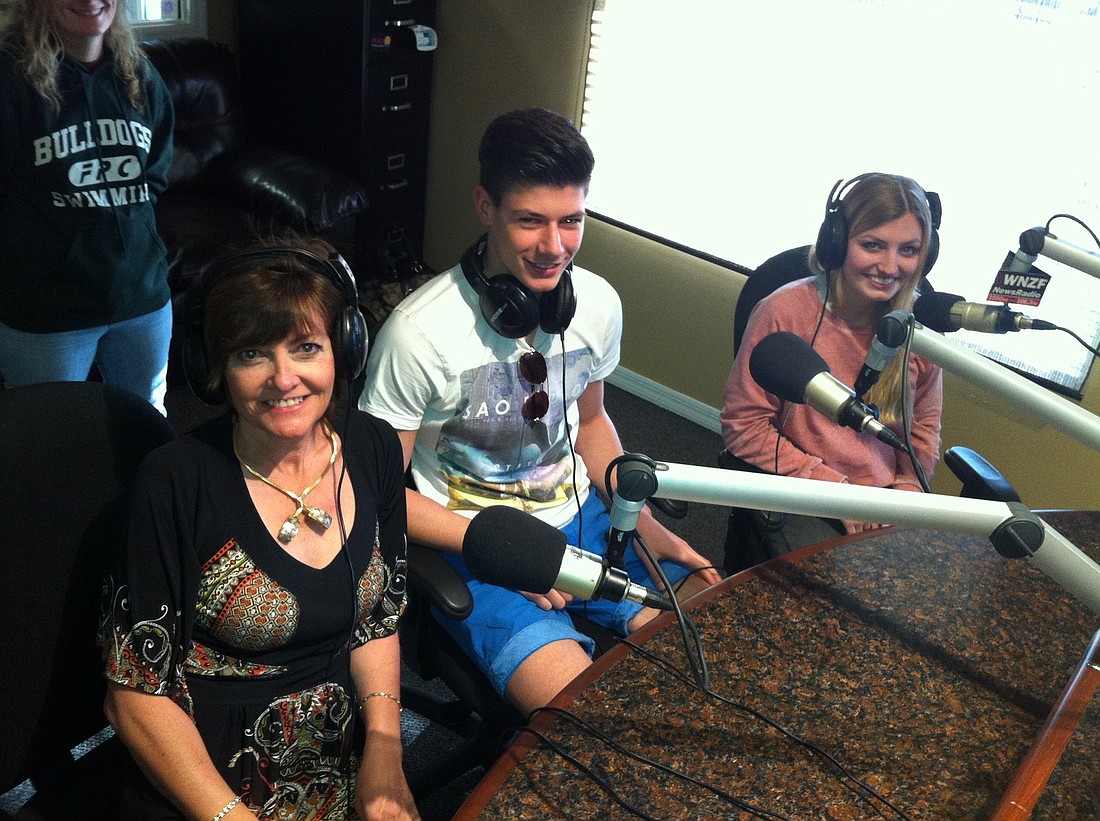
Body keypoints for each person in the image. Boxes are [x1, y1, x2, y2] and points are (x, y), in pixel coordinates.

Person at [360, 107, 721, 717]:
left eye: (571, 221)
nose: (554, 248)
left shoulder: (598, 305)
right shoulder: (417, 333)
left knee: (719, 638)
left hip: (586, 519)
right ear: (485, 206)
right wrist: (501, 548)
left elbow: (594, 424)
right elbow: (375, 493)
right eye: (530, 221)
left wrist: (644, 521)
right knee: (590, 720)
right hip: (476, 543)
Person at [99, 239, 419, 820]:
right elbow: (133, 697)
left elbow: (378, 619)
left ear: (342, 351)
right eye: (252, 354)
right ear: (215, 368)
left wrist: (386, 752)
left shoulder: (371, 446)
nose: (284, 377)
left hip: (345, 751)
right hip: (207, 777)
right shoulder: (174, 483)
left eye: (305, 347)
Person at [720, 172, 943, 561]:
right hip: (807, 489)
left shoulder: (918, 332)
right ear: (837, 243)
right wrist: (834, 491)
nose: (890, 266)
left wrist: (908, 485)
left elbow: (921, 429)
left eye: (908, 250)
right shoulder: (784, 311)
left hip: (886, 500)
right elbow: (744, 427)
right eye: (873, 245)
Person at [0, 0, 174, 412]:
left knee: (148, 417)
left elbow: (154, 174)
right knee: (48, 437)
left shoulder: (141, 74)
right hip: (47, 312)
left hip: (142, 294)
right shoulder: (9, 80)